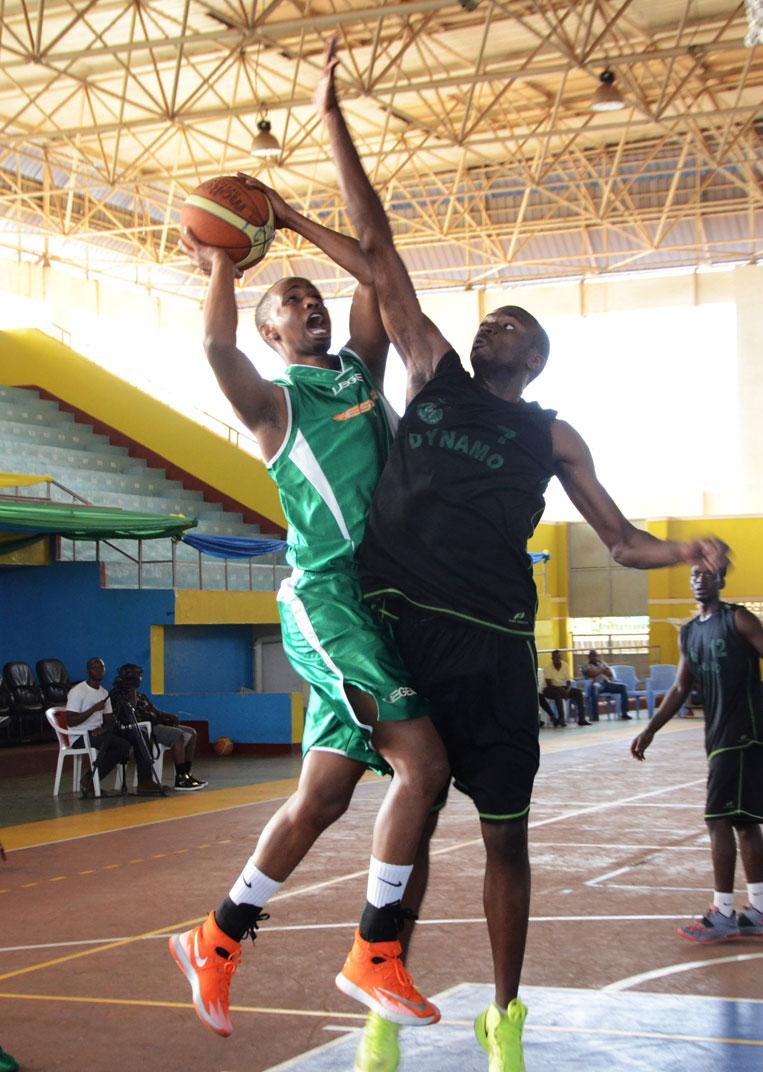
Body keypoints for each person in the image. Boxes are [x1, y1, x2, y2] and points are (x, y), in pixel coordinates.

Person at [317, 36, 731, 1072]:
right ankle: (384, 1006)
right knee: (403, 834)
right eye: (486, 315)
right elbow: (377, 249)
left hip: (496, 641)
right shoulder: (434, 372)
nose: (486, 320)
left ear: (532, 356)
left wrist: (683, 543)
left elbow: (621, 539)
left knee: (504, 836)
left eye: (507, 320)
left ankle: (505, 1017)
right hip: (408, 625)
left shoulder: (548, 432)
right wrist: (328, 121)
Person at [169, 182, 449, 1039]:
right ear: (272, 334)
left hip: (375, 606)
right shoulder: (274, 405)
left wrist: (289, 221)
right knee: (424, 767)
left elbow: (374, 267)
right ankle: (374, 951)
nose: (306, 302)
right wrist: (223, 262)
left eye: (310, 296)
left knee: (321, 799)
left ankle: (214, 939)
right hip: (331, 600)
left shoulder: (360, 369)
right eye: (288, 302)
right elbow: (217, 344)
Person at [631, 566, 763, 943]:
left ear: (721, 581)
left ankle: (723, 913)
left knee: (718, 819)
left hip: (744, 734)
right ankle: (760, 911)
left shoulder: (738, 618)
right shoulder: (690, 631)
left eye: (708, 574)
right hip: (720, 738)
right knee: (744, 822)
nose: (700, 579)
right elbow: (681, 688)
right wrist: (650, 729)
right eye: (695, 574)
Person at [63, 657, 160, 798]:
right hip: (80, 736)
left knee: (140, 734)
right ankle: (89, 779)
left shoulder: (104, 692)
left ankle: (145, 781)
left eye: (101, 667)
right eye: (94, 667)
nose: (99, 670)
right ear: (88, 671)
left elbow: (109, 720)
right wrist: (93, 709)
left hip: (99, 733)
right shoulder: (77, 691)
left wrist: (104, 728)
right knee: (121, 746)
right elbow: (70, 721)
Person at [110, 664, 207, 792]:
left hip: (156, 723)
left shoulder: (141, 696)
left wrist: (167, 716)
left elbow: (154, 710)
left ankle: (185, 773)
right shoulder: (119, 694)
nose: (140, 679)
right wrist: (131, 689)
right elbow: (130, 711)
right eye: (137, 676)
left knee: (191, 732)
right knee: (177, 734)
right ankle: (180, 779)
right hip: (144, 728)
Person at [580, 649, 631, 720]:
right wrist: (602, 670)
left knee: (623, 687)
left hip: (607, 683)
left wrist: (600, 671)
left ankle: (624, 713)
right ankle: (595, 716)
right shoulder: (586, 665)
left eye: (596, 656)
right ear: (589, 657)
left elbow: (610, 674)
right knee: (594, 688)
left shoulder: (603, 663)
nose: (595, 657)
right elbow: (591, 674)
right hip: (596, 684)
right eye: (593, 656)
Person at [542, 651, 588, 727]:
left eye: (559, 657)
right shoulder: (547, 667)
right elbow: (549, 684)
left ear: (561, 657)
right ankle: (561, 719)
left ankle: (582, 719)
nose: (557, 659)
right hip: (549, 689)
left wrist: (567, 690)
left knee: (578, 692)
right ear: (552, 658)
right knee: (557, 694)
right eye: (555, 657)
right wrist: (561, 690)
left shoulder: (565, 665)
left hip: (561, 688)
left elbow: (568, 681)